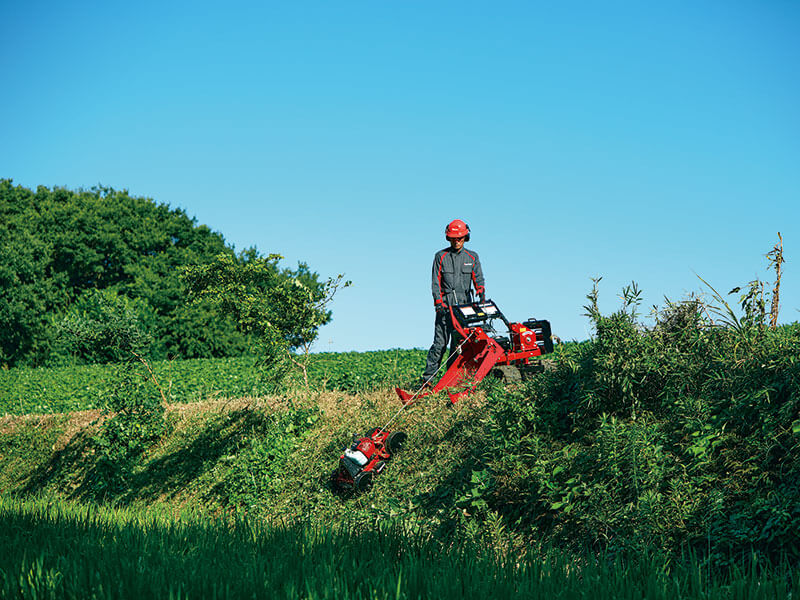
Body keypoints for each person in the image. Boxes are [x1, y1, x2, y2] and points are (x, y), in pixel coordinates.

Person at [421, 219, 485, 386]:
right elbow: (436, 282)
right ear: (448, 238)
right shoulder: (440, 257)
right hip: (445, 306)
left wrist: (481, 292)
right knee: (439, 345)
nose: (457, 241)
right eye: (453, 238)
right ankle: (427, 381)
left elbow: (478, 278)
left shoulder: (472, 257)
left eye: (460, 238)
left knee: (459, 346)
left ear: (466, 237)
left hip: (465, 306)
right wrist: (438, 303)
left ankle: (450, 381)